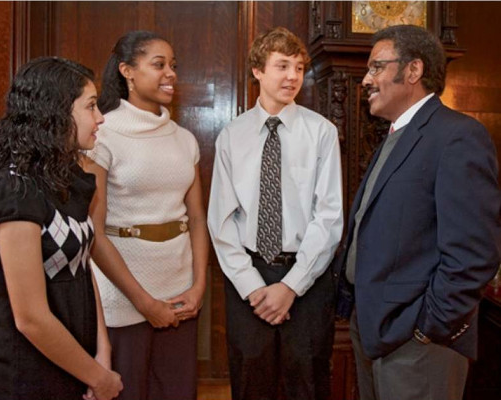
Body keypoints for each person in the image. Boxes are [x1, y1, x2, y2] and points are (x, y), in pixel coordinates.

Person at [334, 25, 501, 400]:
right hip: (376, 331)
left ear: (413, 71)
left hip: (417, 344)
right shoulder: (396, 136)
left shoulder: (458, 136)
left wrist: (428, 328)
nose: (366, 80)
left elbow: (474, 254)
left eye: (376, 67)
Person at [208, 27, 343, 400]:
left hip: (308, 276)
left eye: (299, 68)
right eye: (282, 66)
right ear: (257, 71)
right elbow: (221, 221)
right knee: (251, 382)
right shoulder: (231, 136)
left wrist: (291, 286)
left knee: (308, 383)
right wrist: (254, 288)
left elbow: (328, 217)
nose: (292, 76)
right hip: (248, 278)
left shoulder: (322, 132)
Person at [0, 57, 123, 400]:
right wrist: (98, 378)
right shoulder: (14, 189)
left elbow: (82, 267)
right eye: (90, 106)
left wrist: (101, 357)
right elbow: (30, 317)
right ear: (55, 112)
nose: (100, 117)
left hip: (78, 369)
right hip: (27, 379)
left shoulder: (68, 178)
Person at [83, 30, 209, 400]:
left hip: (181, 295)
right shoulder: (102, 134)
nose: (170, 73)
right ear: (127, 71)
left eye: (173, 65)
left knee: (177, 392)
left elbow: (198, 220)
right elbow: (94, 232)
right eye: (159, 65)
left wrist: (199, 285)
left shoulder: (184, 139)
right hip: (122, 296)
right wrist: (143, 302)